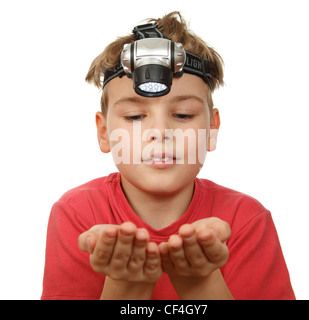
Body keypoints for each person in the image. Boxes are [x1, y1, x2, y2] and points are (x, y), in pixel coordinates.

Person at [41, 11, 295, 300]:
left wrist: (202, 284)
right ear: (103, 133)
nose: (160, 131)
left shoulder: (247, 219)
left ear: (211, 130)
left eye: (183, 115)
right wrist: (124, 288)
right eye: (135, 116)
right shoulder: (77, 214)